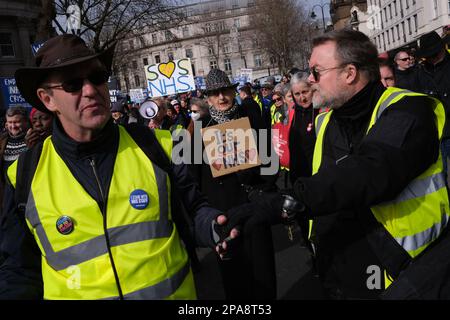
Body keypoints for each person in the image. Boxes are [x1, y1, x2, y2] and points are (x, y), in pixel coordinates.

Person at [0, 34, 238, 300]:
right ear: (47, 99)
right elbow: (18, 271)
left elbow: (194, 211)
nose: (90, 90)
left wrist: (214, 227)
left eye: (97, 77)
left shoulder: (158, 146)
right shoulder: (23, 175)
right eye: (73, 83)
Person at [225, 29, 450, 299]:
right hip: (338, 273)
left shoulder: (408, 110)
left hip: (403, 275)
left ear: (349, 73)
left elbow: (369, 171)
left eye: (316, 71)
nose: (309, 80)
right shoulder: (325, 121)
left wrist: (286, 201)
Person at [189, 68, 277, 299]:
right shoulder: (199, 129)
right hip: (224, 217)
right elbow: (194, 178)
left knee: (264, 277)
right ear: (208, 99)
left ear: (232, 91)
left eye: (225, 91)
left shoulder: (252, 120)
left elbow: (271, 165)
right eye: (215, 93)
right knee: (234, 281)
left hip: (254, 210)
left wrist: (262, 190)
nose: (221, 97)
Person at [415, 31, 450, 182]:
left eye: (435, 55)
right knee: (441, 176)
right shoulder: (421, 71)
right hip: (437, 134)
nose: (432, 59)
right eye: (429, 56)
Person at [0, 106, 29, 208]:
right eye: (10, 122)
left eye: (16, 122)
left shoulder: (33, 140)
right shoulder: (2, 141)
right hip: (6, 197)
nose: (13, 126)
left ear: (26, 122)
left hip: (27, 196)